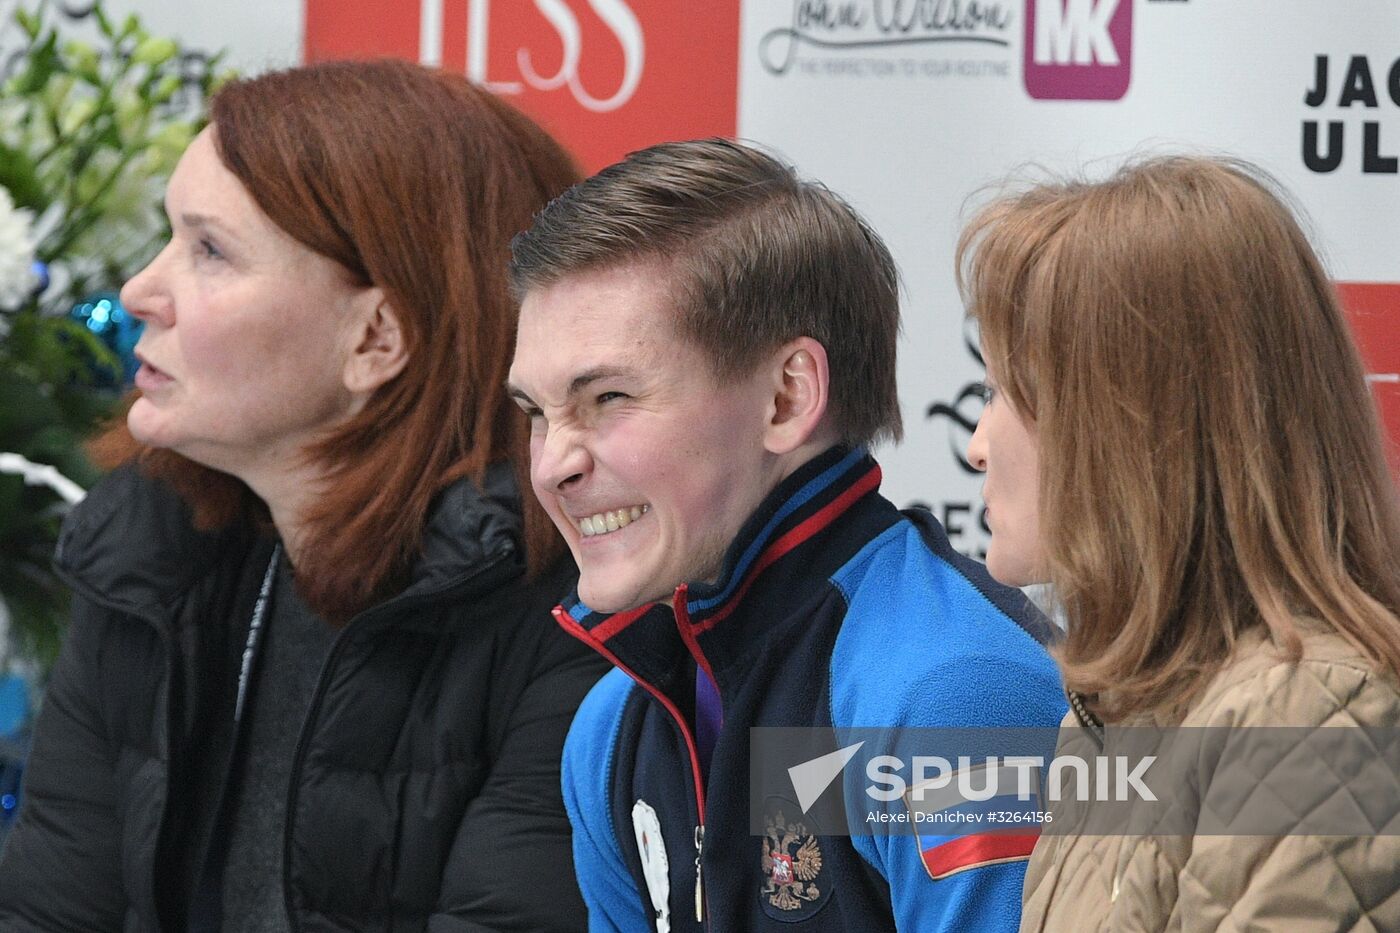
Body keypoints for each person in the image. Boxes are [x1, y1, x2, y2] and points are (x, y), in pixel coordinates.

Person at [0, 60, 608, 931]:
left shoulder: (576, 614)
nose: (139, 292)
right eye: (171, 237)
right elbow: (51, 911)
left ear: (377, 338)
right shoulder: (148, 544)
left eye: (210, 251)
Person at [506, 138, 1067, 931]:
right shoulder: (612, 730)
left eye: (608, 398)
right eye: (537, 412)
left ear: (786, 398)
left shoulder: (954, 698)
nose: (551, 466)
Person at [961, 156, 1400, 930]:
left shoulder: (1312, 716)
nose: (976, 445)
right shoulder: (1115, 708)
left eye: (1003, 392)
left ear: (1126, 424)